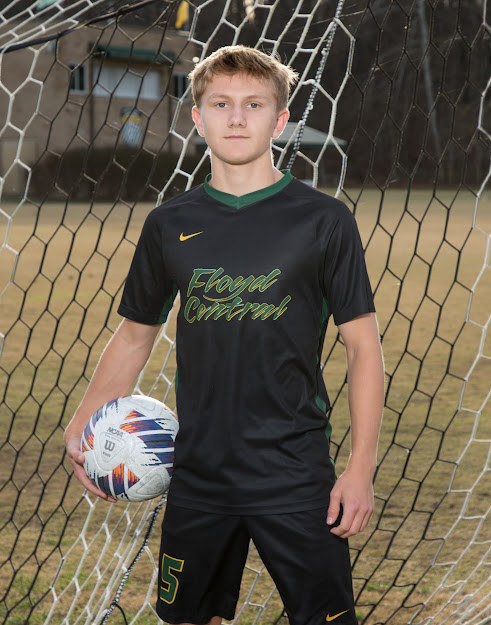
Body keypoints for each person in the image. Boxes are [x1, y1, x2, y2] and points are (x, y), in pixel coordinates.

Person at [64, 45, 384, 625]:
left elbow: (363, 348)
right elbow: (135, 335)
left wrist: (360, 467)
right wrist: (84, 421)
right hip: (199, 470)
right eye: (221, 103)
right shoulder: (170, 223)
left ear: (280, 120)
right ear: (198, 117)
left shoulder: (324, 220)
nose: (237, 118)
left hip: (294, 470)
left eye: (254, 104)